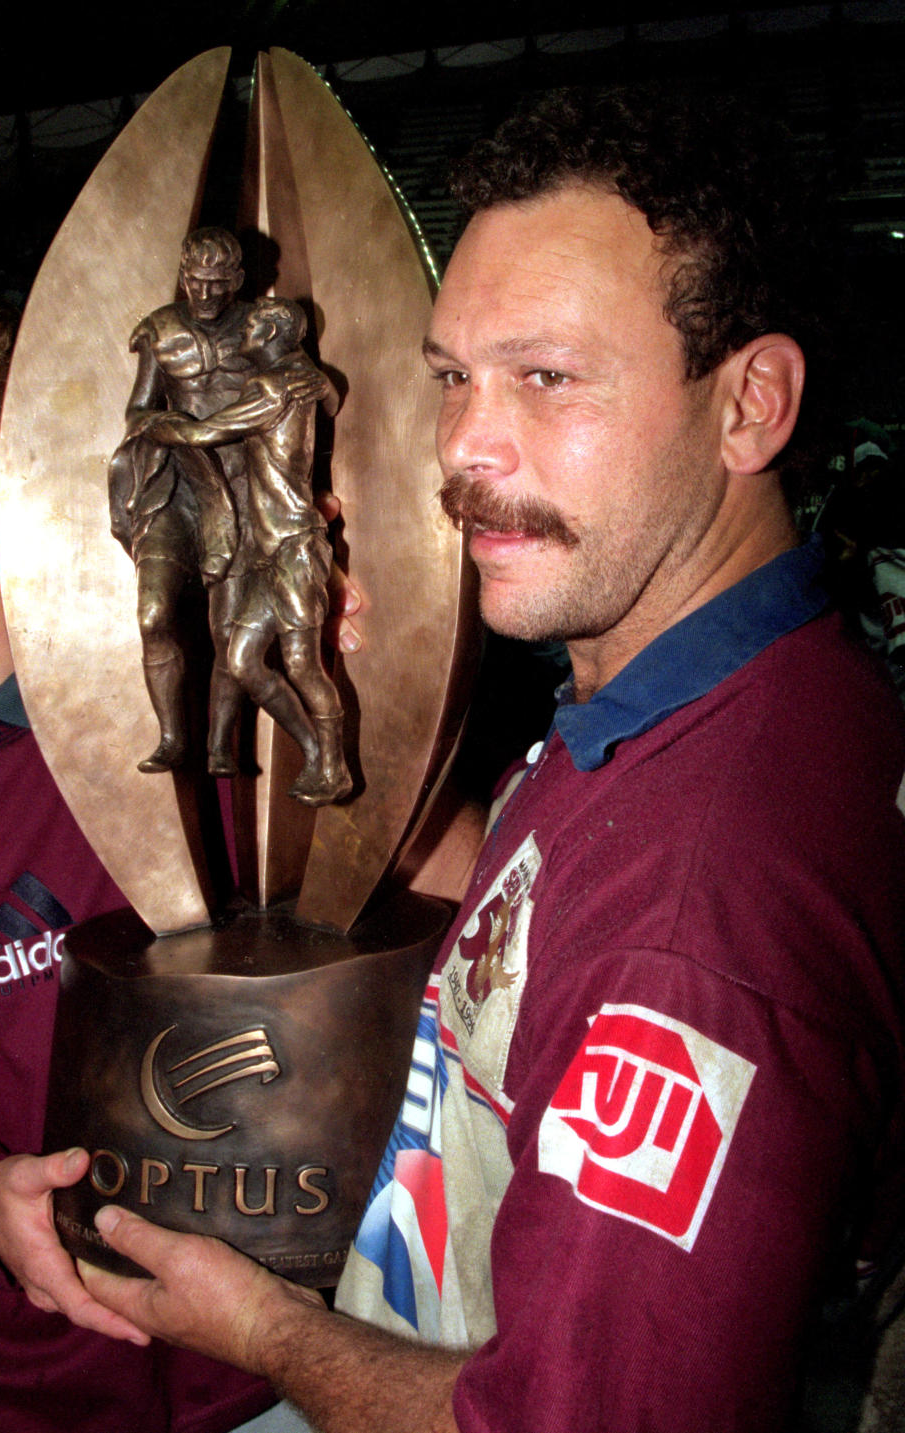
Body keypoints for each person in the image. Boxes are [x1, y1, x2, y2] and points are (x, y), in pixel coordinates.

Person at [77, 87, 905, 1432]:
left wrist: (266, 1330)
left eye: (546, 377)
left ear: (749, 405)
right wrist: (369, 728)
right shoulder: (676, 699)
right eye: (453, 375)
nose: (465, 442)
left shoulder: (707, 904)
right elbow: (533, 926)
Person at [0, 261, 277, 1431]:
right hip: (12, 1392)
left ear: (5, 465)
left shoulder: (187, 702)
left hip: (271, 1364)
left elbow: (418, 896)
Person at [131, 296, 351, 805]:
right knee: (243, 658)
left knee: (301, 665)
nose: (242, 336)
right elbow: (331, 397)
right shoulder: (302, 377)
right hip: (272, 549)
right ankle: (316, 751)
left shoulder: (271, 386)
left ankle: (332, 765)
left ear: (272, 332)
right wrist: (326, 383)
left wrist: (152, 424)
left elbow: (205, 432)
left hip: (294, 545)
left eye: (251, 328)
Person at [109, 226, 255, 776]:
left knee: (229, 632)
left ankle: (220, 742)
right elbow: (137, 409)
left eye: (219, 284)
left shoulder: (260, 329)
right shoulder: (160, 330)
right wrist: (168, 427)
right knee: (152, 615)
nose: (206, 294)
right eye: (196, 282)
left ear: (238, 281)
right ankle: (172, 736)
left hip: (241, 492)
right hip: (175, 487)